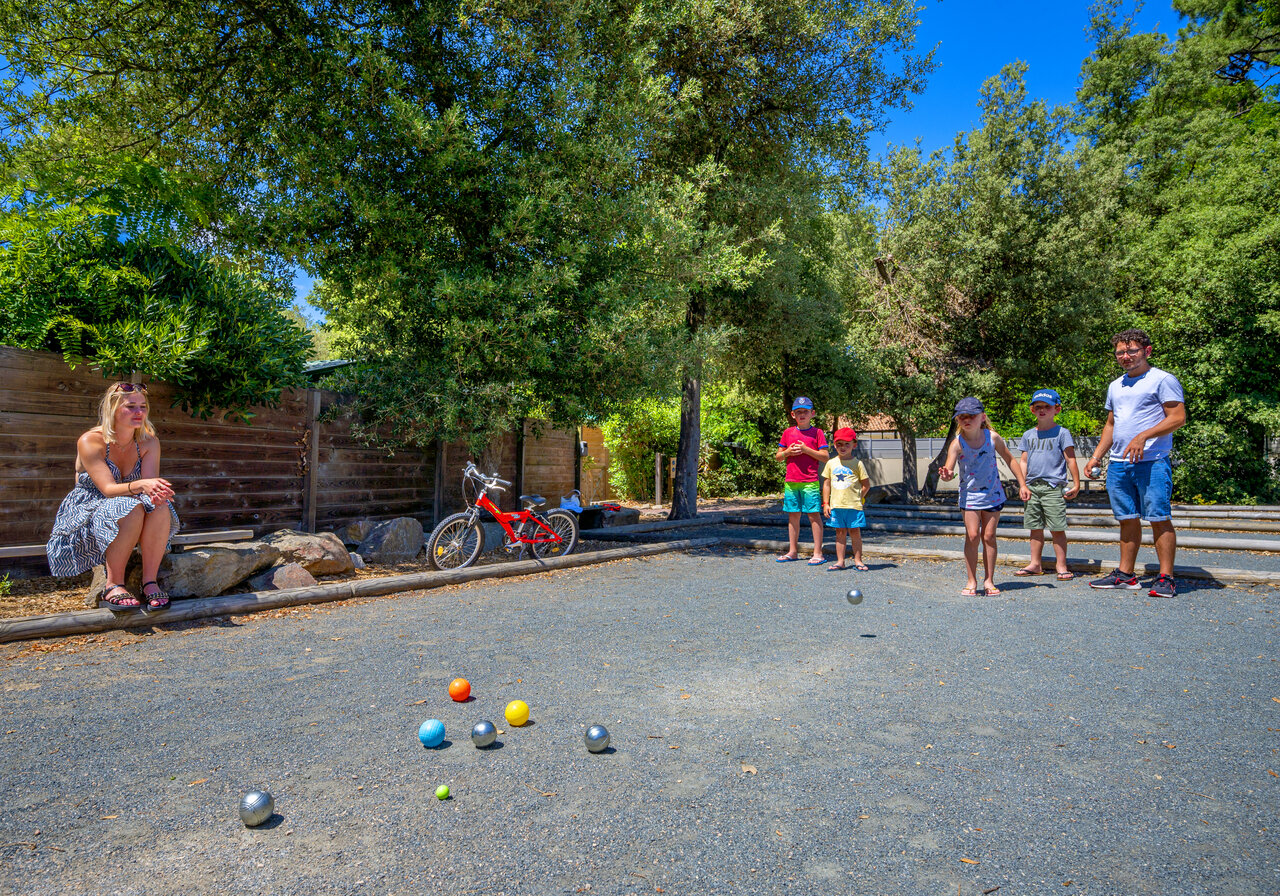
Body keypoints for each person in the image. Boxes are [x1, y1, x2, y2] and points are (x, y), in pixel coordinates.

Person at [46, 382, 180, 612]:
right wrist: (142, 486)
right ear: (113, 408)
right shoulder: (91, 440)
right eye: (131, 407)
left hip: (130, 501)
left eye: (143, 406)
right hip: (90, 504)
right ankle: (113, 584)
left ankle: (150, 582)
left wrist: (158, 493)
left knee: (159, 506)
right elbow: (108, 489)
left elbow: (148, 485)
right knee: (128, 507)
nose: (139, 413)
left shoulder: (149, 441)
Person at [1084, 329, 1186, 598]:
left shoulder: (1162, 380)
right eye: (1120, 352)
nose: (1126, 356)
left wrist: (1144, 435)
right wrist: (1096, 457)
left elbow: (1178, 417)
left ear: (1147, 351)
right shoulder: (1116, 385)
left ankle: (1166, 578)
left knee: (1158, 518)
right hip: (1118, 463)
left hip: (1151, 461)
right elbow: (1111, 424)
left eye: (1132, 351)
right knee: (1127, 519)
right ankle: (1126, 575)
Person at [939, 397, 1024, 596]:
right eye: (962, 417)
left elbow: (1010, 459)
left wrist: (1022, 484)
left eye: (972, 416)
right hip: (969, 497)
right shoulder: (956, 443)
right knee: (972, 535)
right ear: (957, 420)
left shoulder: (992, 437)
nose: (967, 420)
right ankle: (971, 580)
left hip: (992, 494)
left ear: (982, 417)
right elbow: (948, 471)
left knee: (989, 536)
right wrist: (947, 475)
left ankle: (989, 580)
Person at [1012, 389, 1080, 580]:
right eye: (1038, 407)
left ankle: (1061, 565)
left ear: (1056, 409)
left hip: (1053, 487)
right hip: (1032, 487)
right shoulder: (1028, 435)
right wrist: (1022, 484)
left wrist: (1076, 483)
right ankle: (1035, 564)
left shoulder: (1062, 433)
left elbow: (1071, 459)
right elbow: (1023, 461)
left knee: (1057, 527)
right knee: (1034, 527)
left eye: (1047, 407)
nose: (1042, 410)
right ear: (1032, 410)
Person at [774, 396, 829, 565]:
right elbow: (778, 457)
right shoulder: (787, 433)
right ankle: (792, 551)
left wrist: (806, 449)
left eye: (805, 412)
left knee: (813, 516)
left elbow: (825, 456)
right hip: (791, 481)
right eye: (799, 412)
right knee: (793, 516)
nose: (802, 414)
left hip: (810, 481)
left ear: (812, 413)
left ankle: (818, 552)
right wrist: (787, 452)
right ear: (793, 414)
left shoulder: (817, 433)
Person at [821, 427, 871, 571]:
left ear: (854, 445)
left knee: (855, 532)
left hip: (853, 506)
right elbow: (826, 484)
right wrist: (826, 503)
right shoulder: (831, 463)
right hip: (836, 506)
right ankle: (840, 561)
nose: (843, 447)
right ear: (834, 445)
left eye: (847, 444)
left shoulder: (858, 464)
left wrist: (858, 497)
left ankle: (858, 561)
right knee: (840, 533)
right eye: (839, 444)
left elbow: (866, 485)